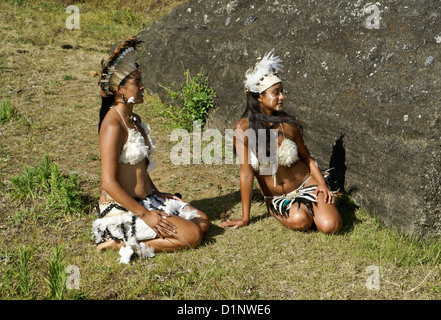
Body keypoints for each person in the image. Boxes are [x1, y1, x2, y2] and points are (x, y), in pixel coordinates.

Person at [92, 37, 210, 263]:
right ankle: (122, 242)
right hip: (123, 209)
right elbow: (107, 182)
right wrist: (145, 215)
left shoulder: (133, 119)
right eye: (137, 83)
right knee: (193, 235)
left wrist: (156, 192)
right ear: (120, 90)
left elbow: (138, 169)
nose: (143, 87)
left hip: (149, 198)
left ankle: (145, 229)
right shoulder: (112, 125)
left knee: (202, 221)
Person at [219, 51, 342, 234]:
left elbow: (307, 157)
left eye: (282, 91)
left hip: (307, 183)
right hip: (278, 197)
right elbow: (246, 174)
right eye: (276, 93)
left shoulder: (288, 123)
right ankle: (301, 211)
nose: (282, 97)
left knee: (331, 226)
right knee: (301, 220)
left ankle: (318, 209)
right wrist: (245, 217)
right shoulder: (243, 129)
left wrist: (322, 183)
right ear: (259, 96)